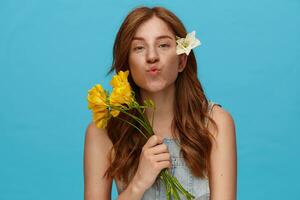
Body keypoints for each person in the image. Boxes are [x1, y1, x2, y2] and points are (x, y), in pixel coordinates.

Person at [84, 6, 237, 200]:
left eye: (163, 45)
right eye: (139, 47)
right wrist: (139, 182)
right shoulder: (103, 131)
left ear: (181, 61)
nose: (152, 57)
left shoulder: (215, 123)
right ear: (127, 65)